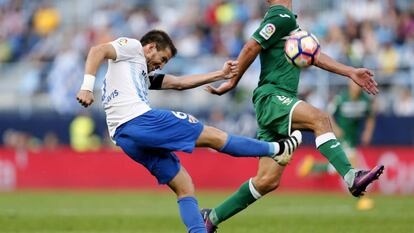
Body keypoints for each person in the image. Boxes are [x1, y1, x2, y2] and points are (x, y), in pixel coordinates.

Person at [76, 30, 302, 233]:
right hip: (139, 120)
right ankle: (277, 148)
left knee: (184, 185)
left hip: (124, 137)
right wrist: (87, 86)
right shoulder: (133, 47)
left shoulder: (139, 74)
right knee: (213, 136)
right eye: (162, 58)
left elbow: (179, 83)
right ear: (151, 46)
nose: (161, 65)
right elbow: (99, 49)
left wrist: (219, 74)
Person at [202, 0, 384, 231]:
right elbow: (251, 47)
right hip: (273, 97)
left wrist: (350, 72)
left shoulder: (290, 22)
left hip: (277, 103)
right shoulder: (280, 15)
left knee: (267, 181)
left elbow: (314, 56)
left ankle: (211, 218)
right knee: (321, 119)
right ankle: (351, 176)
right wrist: (233, 81)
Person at [298, 81, 377, 210]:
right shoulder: (341, 99)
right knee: (353, 165)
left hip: (352, 137)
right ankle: (363, 199)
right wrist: (335, 128)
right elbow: (327, 113)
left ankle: (315, 166)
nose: (356, 87)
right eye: (354, 84)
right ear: (350, 85)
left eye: (358, 85)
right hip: (342, 135)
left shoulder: (364, 100)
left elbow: (370, 116)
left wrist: (368, 131)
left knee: (342, 166)